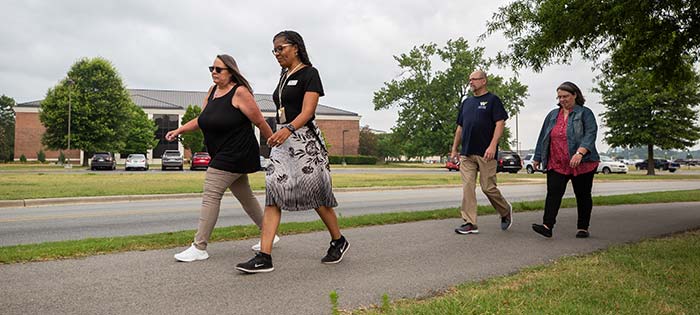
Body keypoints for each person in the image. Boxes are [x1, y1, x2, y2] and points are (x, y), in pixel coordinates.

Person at [236, 30, 349, 273]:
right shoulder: (284, 76)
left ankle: (338, 240)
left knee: (316, 195)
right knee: (273, 193)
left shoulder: (310, 74)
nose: (277, 54)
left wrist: (288, 129)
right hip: (283, 144)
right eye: (274, 50)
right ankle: (264, 257)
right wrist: (281, 133)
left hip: (305, 142)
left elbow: (307, 112)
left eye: (281, 48)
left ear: (295, 47)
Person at [166, 54, 277, 262]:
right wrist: (179, 130)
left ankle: (199, 246)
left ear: (231, 72)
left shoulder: (240, 93)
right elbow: (203, 119)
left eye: (218, 69)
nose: (214, 73)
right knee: (245, 196)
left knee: (211, 194)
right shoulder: (213, 92)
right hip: (222, 152)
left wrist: (275, 145)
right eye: (212, 69)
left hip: (237, 153)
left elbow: (260, 122)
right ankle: (269, 233)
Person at [531, 81, 600, 238]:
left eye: (565, 96)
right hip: (557, 162)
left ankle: (583, 227)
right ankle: (547, 226)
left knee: (582, 195)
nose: (562, 99)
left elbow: (590, 134)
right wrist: (537, 157)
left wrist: (580, 153)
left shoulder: (585, 113)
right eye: (559, 96)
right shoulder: (552, 115)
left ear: (575, 95)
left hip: (582, 163)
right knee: (553, 193)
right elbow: (543, 136)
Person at [450, 70, 513, 235]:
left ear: (484, 81)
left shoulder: (493, 100)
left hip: (486, 153)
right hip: (467, 153)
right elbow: (460, 128)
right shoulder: (466, 102)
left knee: (488, 188)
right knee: (468, 187)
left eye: (474, 79)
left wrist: (493, 146)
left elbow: (500, 124)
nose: (471, 82)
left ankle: (505, 210)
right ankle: (470, 223)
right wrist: (454, 149)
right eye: (469, 79)